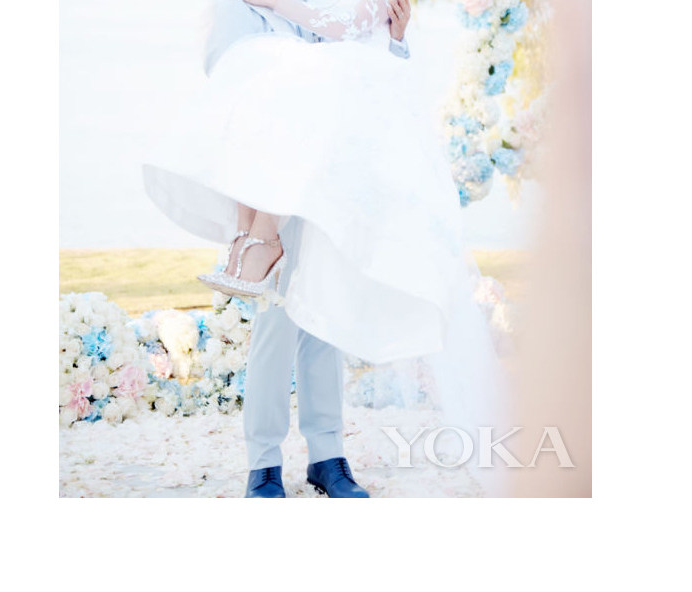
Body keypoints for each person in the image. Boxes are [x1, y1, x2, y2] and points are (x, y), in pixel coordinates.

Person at [144, 0, 507, 497]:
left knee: (325, 319)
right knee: (275, 324)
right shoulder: (240, 8)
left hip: (337, 183)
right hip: (275, 189)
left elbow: (380, 79)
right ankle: (264, 463)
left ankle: (328, 457)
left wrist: (396, 39)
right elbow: (228, 72)